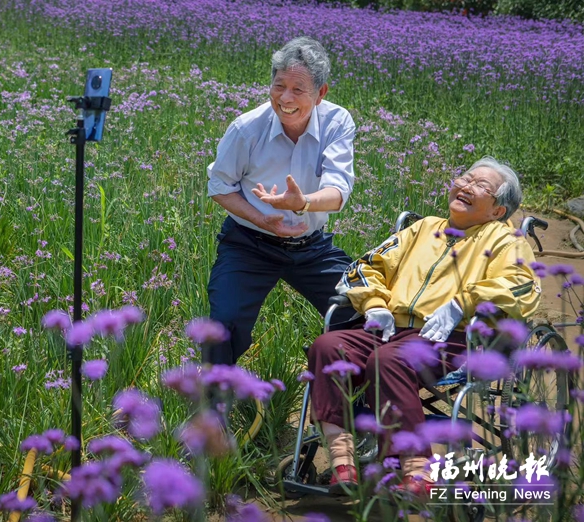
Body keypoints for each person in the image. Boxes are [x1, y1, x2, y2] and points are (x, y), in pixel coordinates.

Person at [308, 156, 541, 496]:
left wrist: (463, 302)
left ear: (497, 210)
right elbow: (364, 267)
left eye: (481, 186)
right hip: (391, 330)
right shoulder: (421, 228)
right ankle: (344, 463)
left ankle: (417, 470)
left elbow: (522, 285)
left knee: (387, 361)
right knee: (327, 346)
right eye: (465, 178)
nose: (466, 186)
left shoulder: (506, 242)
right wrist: (375, 304)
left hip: (454, 337)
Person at [206, 36, 356, 366]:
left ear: (321, 94)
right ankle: (213, 410)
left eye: (298, 89)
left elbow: (338, 192)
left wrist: (301, 203)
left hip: (311, 247)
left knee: (359, 310)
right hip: (249, 244)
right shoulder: (246, 128)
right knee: (222, 325)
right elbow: (219, 185)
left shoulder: (337, 122)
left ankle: (347, 405)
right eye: (279, 86)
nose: (285, 98)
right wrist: (261, 219)